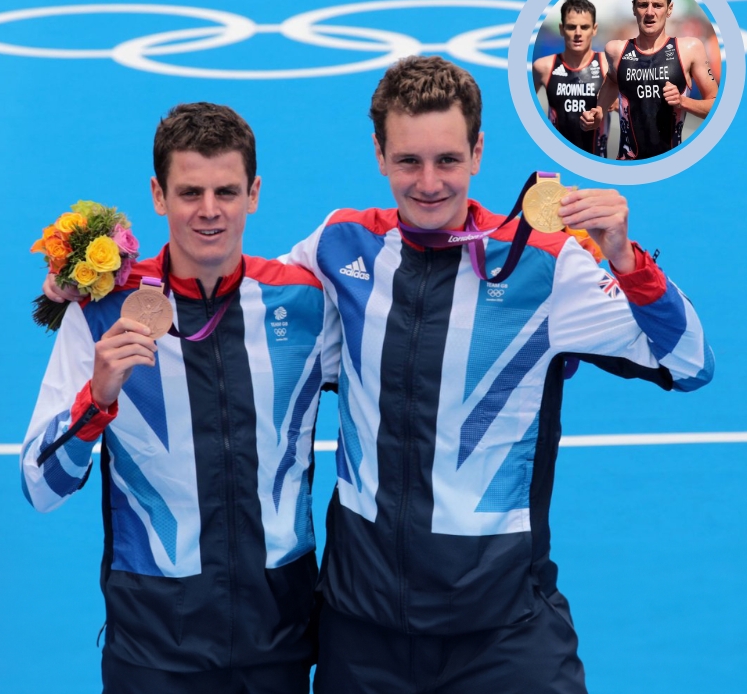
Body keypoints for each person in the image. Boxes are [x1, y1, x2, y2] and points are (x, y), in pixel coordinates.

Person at [282, 56, 714, 692]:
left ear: (478, 152)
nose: (429, 183)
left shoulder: (546, 266)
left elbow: (691, 363)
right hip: (365, 631)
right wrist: (100, 288)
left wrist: (625, 258)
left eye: (448, 161)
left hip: (503, 632)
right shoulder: (341, 246)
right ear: (379, 154)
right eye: (408, 162)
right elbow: (235, 303)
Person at [22, 102, 338, 694]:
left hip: (280, 642)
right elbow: (39, 486)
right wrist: (97, 398)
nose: (210, 211)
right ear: (158, 195)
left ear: (254, 193)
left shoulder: (304, 305)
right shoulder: (100, 315)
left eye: (227, 191)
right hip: (153, 653)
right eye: (190, 192)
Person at [602, 0, 720, 159]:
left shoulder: (690, 48)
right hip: (626, 163)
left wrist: (683, 102)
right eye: (643, 5)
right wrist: (599, 111)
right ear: (634, 8)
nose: (650, 12)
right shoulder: (616, 50)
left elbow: (718, 106)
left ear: (669, 9)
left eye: (657, 5)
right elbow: (610, 82)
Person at [532, 0, 610, 157]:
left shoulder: (608, 65)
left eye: (585, 27)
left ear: (594, 29)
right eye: (571, 27)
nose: (578, 33)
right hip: (556, 158)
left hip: (597, 160)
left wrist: (616, 102)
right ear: (561, 29)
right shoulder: (543, 67)